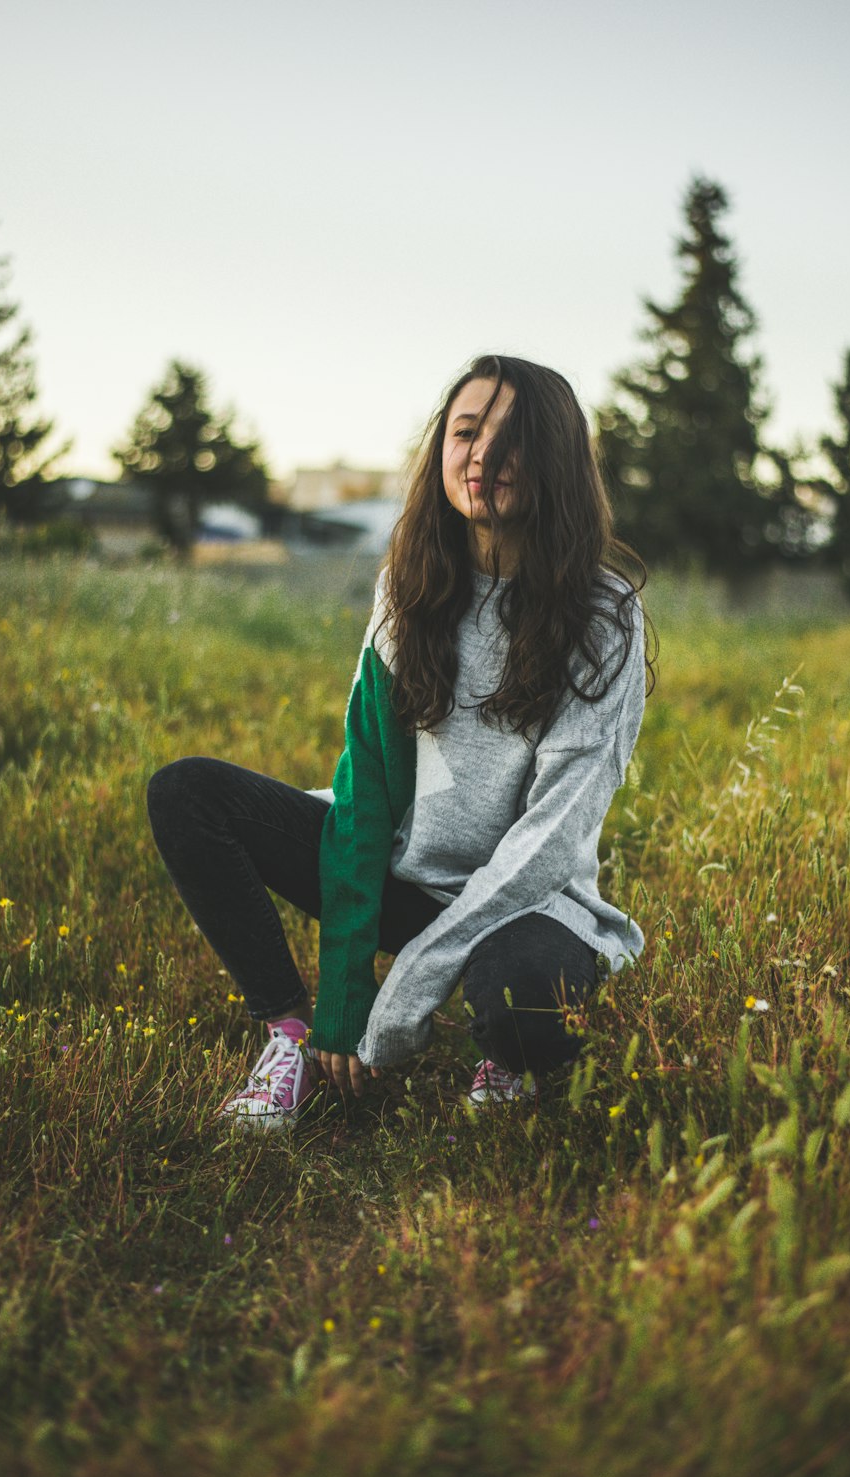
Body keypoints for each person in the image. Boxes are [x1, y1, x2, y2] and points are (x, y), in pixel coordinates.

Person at [146, 353, 655, 1129]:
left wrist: (412, 984)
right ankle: (288, 1039)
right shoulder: (410, 586)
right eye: (465, 431)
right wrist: (345, 1004)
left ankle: (503, 1050)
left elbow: (549, 843)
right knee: (187, 794)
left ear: (555, 459)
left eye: (511, 437)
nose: (482, 454)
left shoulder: (603, 621)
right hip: (407, 877)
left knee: (526, 1007)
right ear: (440, 452)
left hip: (530, 900)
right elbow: (367, 795)